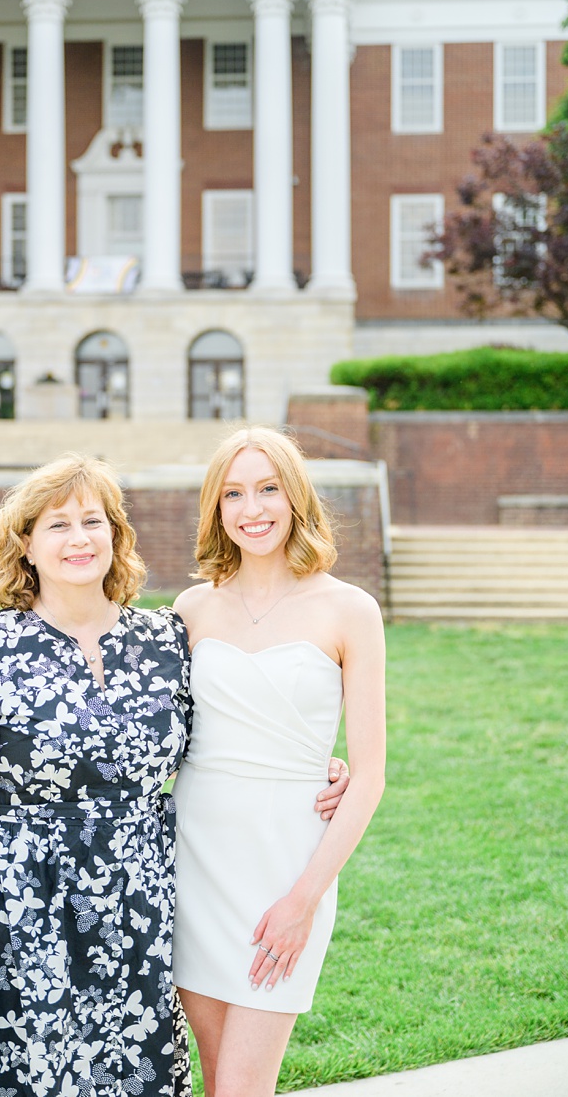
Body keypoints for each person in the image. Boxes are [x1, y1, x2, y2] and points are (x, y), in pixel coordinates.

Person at [0, 455, 195, 1096]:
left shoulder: (166, 640)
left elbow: (217, 745)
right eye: (57, 525)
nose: (80, 538)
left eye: (93, 520)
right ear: (25, 545)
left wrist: (323, 767)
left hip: (139, 908)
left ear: (116, 535)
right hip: (26, 907)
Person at [171, 428, 388, 1097]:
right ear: (216, 508)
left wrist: (303, 899)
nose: (252, 508)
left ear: (295, 499)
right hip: (195, 862)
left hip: (288, 867)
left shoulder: (350, 609)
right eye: (233, 493)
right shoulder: (188, 609)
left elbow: (371, 774)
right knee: (216, 1083)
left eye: (268, 488)